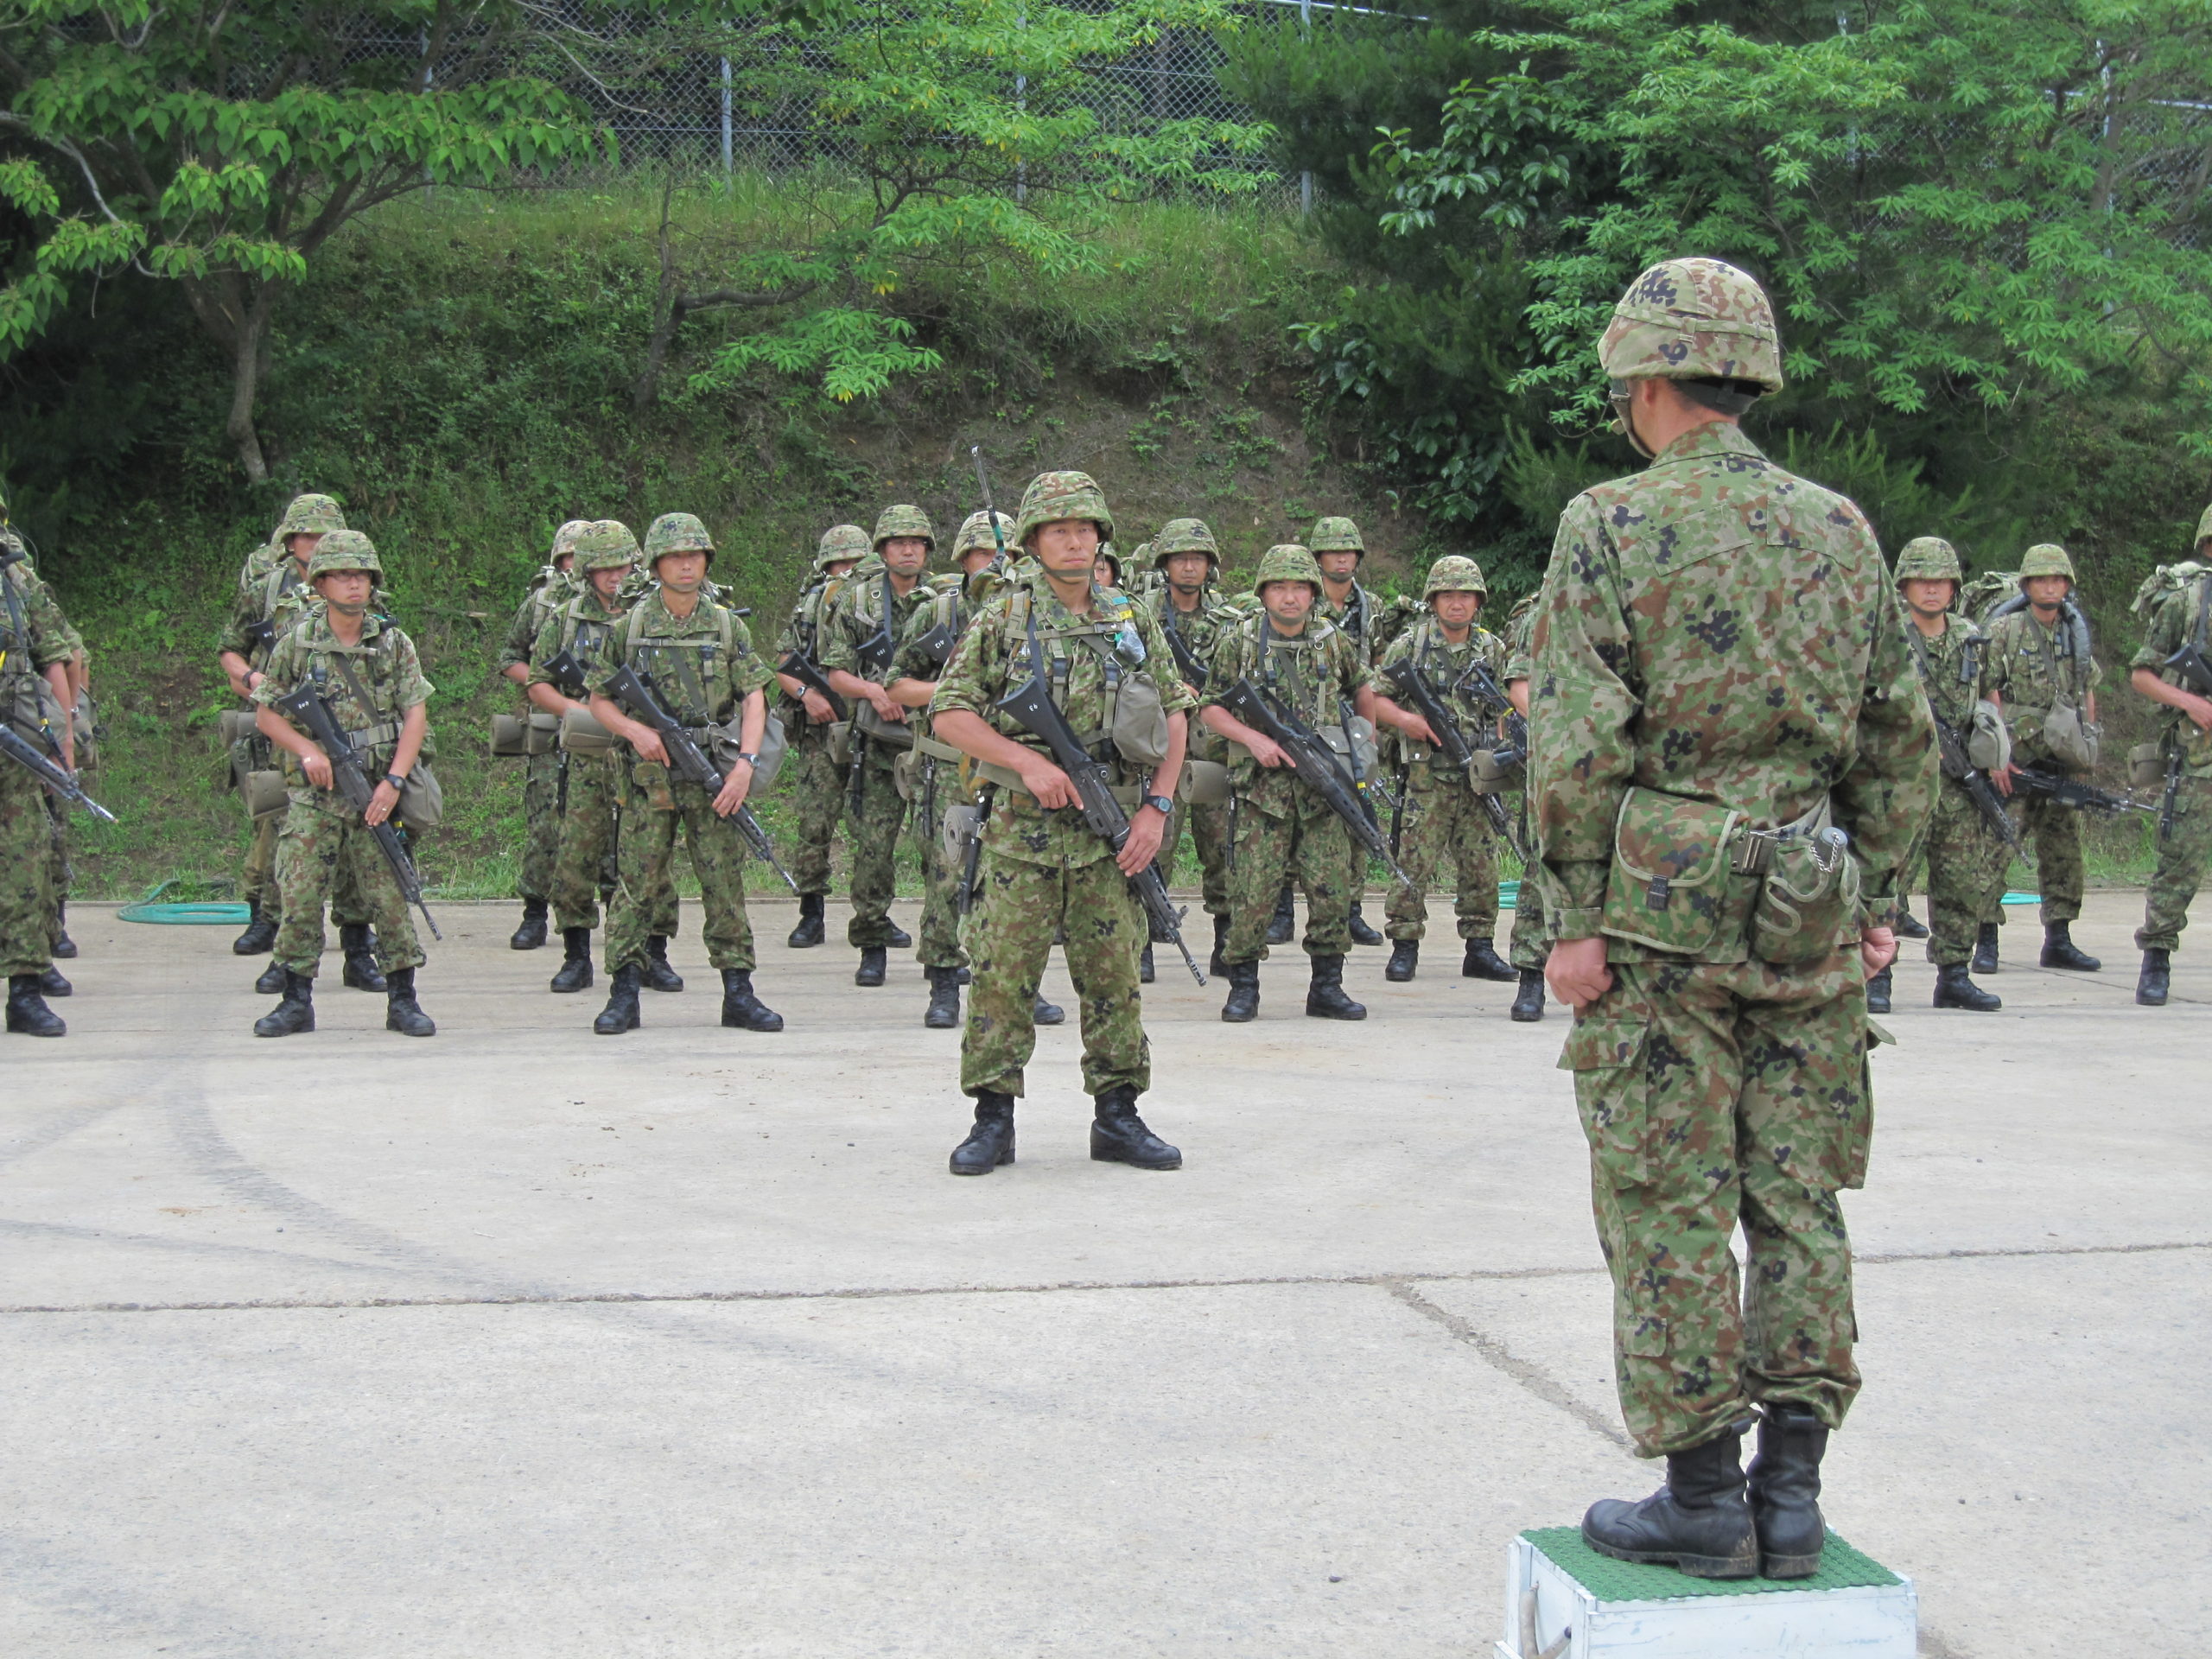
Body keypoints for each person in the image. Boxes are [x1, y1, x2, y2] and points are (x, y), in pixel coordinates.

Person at [1533, 258, 1935, 1581]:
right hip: (1808, 907)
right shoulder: (1841, 528)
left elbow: (1578, 739)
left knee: (1668, 1196)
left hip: (1662, 922)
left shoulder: (1610, 522)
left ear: (1646, 380)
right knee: (1799, 1195)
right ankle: (1793, 1497)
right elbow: (1898, 732)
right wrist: (1875, 895)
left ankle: (1704, 1497)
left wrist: (1573, 918)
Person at [929, 470, 1192, 1175]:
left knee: (1115, 981)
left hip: (1112, 838)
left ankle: (1118, 1117)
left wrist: (1157, 808)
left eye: (1085, 530)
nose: (1074, 542)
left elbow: (1175, 713)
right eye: (1059, 531)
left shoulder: (1130, 617)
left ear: (1101, 538)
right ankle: (993, 1121)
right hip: (1022, 836)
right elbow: (949, 713)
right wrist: (1027, 763)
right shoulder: (1005, 617)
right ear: (1033, 541)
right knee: (1000, 980)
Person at [1202, 543, 1423, 1024]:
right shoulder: (1240, 642)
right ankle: (1243, 988)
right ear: (1263, 592)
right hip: (1262, 794)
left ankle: (1327, 987)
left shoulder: (1331, 640)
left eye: (1299, 588)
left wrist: (1361, 746)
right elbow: (1211, 706)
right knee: (1253, 893)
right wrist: (1252, 739)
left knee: (1331, 892)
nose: (1289, 597)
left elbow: (1362, 689)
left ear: (1313, 593)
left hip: (1323, 795)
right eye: (1279, 587)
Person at [584, 512, 782, 1036]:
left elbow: (754, 698)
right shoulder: (629, 629)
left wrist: (745, 765)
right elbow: (599, 700)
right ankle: (624, 993)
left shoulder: (726, 625)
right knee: (636, 884)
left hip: (711, 771)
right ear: (655, 565)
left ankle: (738, 992)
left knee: (724, 883)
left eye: (694, 554)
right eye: (674, 556)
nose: (686, 564)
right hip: (649, 778)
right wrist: (635, 731)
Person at [883, 509, 1067, 1031]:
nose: (995, 563)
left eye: (1005, 555)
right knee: (948, 875)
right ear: (964, 559)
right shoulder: (939, 612)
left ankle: (1020, 983)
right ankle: (944, 982)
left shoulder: (1034, 612)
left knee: (1017, 880)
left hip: (1013, 769)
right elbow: (896, 686)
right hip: (950, 768)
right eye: (984, 554)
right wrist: (957, 695)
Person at [250, 531, 438, 1039]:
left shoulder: (393, 643)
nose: (355, 584)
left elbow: (415, 717)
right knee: (299, 895)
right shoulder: (298, 643)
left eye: (362, 575)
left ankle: (403, 999)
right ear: (321, 583)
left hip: (375, 790)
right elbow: (267, 714)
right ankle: (295, 1000)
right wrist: (307, 750)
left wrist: (394, 781)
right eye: (343, 575)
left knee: (391, 894)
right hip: (316, 798)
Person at [217, 493, 387, 998]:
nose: (315, 544)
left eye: (324, 535)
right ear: (290, 541)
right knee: (286, 840)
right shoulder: (267, 590)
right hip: (290, 735)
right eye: (307, 536)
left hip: (351, 736)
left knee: (358, 842)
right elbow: (230, 648)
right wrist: (254, 681)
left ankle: (358, 948)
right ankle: (277, 938)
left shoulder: (362, 592)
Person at [527, 521, 683, 996]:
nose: (617, 576)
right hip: (589, 752)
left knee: (651, 855)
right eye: (605, 568)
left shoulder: (652, 614)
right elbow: (537, 682)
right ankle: (577, 954)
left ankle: (654, 951)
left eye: (624, 566)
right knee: (577, 852)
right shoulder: (566, 618)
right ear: (587, 572)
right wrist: (578, 710)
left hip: (644, 752)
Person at [1375, 556, 1519, 985]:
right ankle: (1404, 947)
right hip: (1427, 778)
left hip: (1478, 775)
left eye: (1466, 596)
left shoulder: (1492, 649)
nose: (1457, 604)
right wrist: (1408, 721)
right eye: (1448, 595)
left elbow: (1508, 703)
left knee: (1481, 866)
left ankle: (1480, 948)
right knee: (1413, 863)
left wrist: (1501, 738)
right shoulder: (1410, 646)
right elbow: (1374, 699)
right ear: (1434, 600)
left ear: (1478, 601)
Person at [820, 505, 935, 987]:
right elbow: (835, 672)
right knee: (873, 848)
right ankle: (871, 943)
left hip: (930, 745)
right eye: (898, 542)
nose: (908, 549)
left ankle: (942, 950)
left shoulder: (944, 602)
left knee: (941, 850)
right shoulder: (858, 601)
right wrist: (875, 692)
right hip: (877, 745)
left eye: (916, 542)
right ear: (883, 550)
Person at [1892, 537, 2005, 1012]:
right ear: (1904, 586)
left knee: (1959, 881)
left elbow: (1990, 695)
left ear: (1954, 586)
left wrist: (1997, 750)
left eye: (1940, 580)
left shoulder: (1971, 637)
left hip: (1960, 784)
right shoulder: (1888, 636)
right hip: (1901, 781)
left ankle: (1954, 975)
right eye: (1922, 580)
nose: (1931, 589)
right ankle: (1877, 976)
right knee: (1888, 882)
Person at [1980, 543, 2103, 973]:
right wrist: (1996, 754)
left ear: (2067, 585)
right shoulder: (2006, 629)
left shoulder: (2074, 632)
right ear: (2027, 584)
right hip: (2016, 756)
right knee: (1996, 848)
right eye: (2041, 579)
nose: (2050, 587)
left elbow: (2087, 687)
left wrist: (2087, 745)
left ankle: (2059, 938)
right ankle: (1985, 939)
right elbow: (1987, 690)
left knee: (2063, 851)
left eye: (2057, 579)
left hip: (2059, 756)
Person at [1295, 515, 1398, 950]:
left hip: (1351, 726)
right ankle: (1282, 910)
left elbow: (1377, 668)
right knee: (1292, 814)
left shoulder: (1372, 607)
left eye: (1349, 551)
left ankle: (1351, 909)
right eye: (1333, 552)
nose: (1342, 559)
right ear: (1318, 558)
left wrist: (1368, 731)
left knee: (1357, 815)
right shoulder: (1303, 602)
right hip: (1305, 721)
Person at [1141, 518, 1237, 976]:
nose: (1188, 567)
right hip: (1156, 748)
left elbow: (1241, 679)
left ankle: (1227, 945)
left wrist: (1209, 694)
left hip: (1212, 751)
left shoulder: (1230, 620)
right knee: (1151, 847)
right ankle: (1141, 946)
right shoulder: (1139, 614)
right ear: (1165, 564)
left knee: (1221, 848)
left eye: (1197, 559)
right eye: (1180, 558)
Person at [2127, 503, 2212, 1005]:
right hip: (2199, 756)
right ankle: (2156, 956)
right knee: (2180, 861)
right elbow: (2142, 675)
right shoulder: (2187, 603)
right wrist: (2192, 703)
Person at [772, 524, 871, 948]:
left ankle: (873, 917)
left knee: (873, 827)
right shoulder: (812, 605)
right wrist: (806, 695)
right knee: (814, 823)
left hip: (873, 730)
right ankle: (810, 913)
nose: (846, 572)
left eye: (855, 563)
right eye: (838, 564)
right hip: (822, 733)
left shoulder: (883, 604)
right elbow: (782, 664)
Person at [0, 520, 79, 1037]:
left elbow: (53, 658)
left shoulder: (16, 579)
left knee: (26, 865)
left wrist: (63, 743)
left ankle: (25, 992)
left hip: (13, 753)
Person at [499, 521, 590, 951]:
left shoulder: (622, 604)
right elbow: (510, 658)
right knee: (545, 822)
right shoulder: (541, 604)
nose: (578, 564)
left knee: (609, 822)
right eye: (571, 556)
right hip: (552, 727)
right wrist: (545, 684)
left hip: (603, 724)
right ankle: (535, 912)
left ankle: (608, 911)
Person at [1502, 591, 1550, 1020]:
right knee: (1543, 867)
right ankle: (1531, 977)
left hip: (1628, 759)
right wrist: (1564, 733)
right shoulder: (1549, 611)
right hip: (1561, 759)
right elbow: (1520, 687)